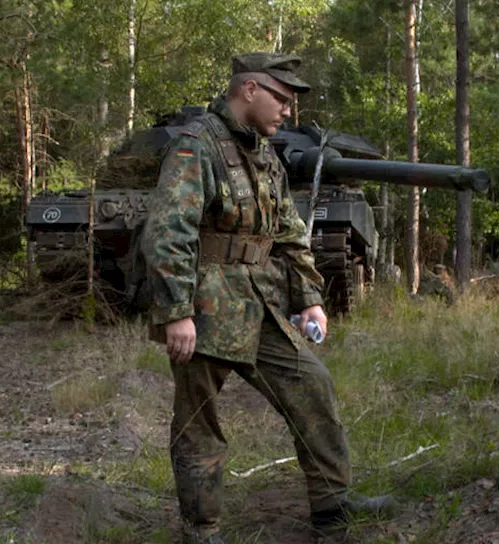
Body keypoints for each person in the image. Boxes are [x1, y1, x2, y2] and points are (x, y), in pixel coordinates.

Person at [138, 52, 394, 544]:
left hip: (259, 305)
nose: (288, 111)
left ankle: (332, 505)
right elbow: (168, 231)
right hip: (204, 307)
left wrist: (309, 298)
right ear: (249, 89)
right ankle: (203, 530)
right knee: (198, 424)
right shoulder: (197, 145)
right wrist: (175, 312)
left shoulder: (263, 153)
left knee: (312, 385)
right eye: (282, 97)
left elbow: (289, 233)